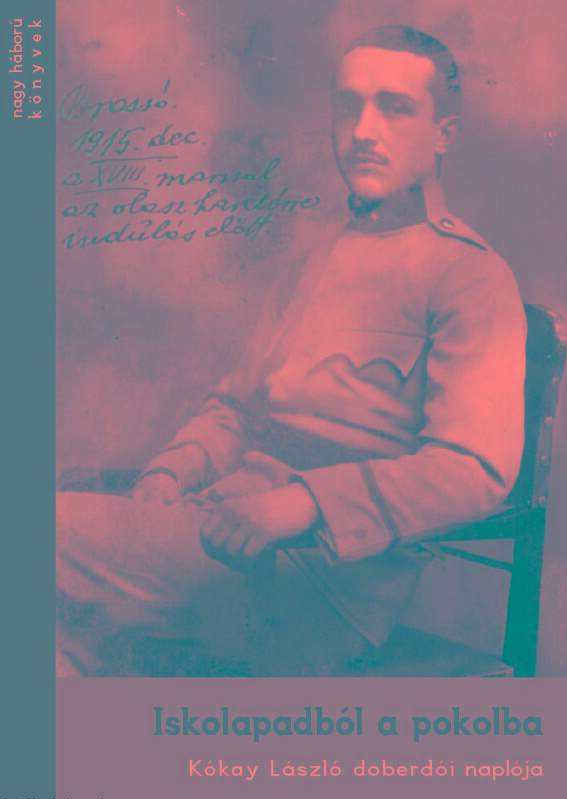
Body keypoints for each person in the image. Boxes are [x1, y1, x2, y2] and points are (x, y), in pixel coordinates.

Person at [57, 25, 527, 677]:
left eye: (394, 108)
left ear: (444, 133)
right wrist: (168, 474)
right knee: (58, 647)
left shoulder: (471, 276)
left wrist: (306, 501)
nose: (363, 130)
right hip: (224, 532)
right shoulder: (313, 264)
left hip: (325, 580)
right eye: (348, 105)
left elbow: (472, 468)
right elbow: (235, 409)